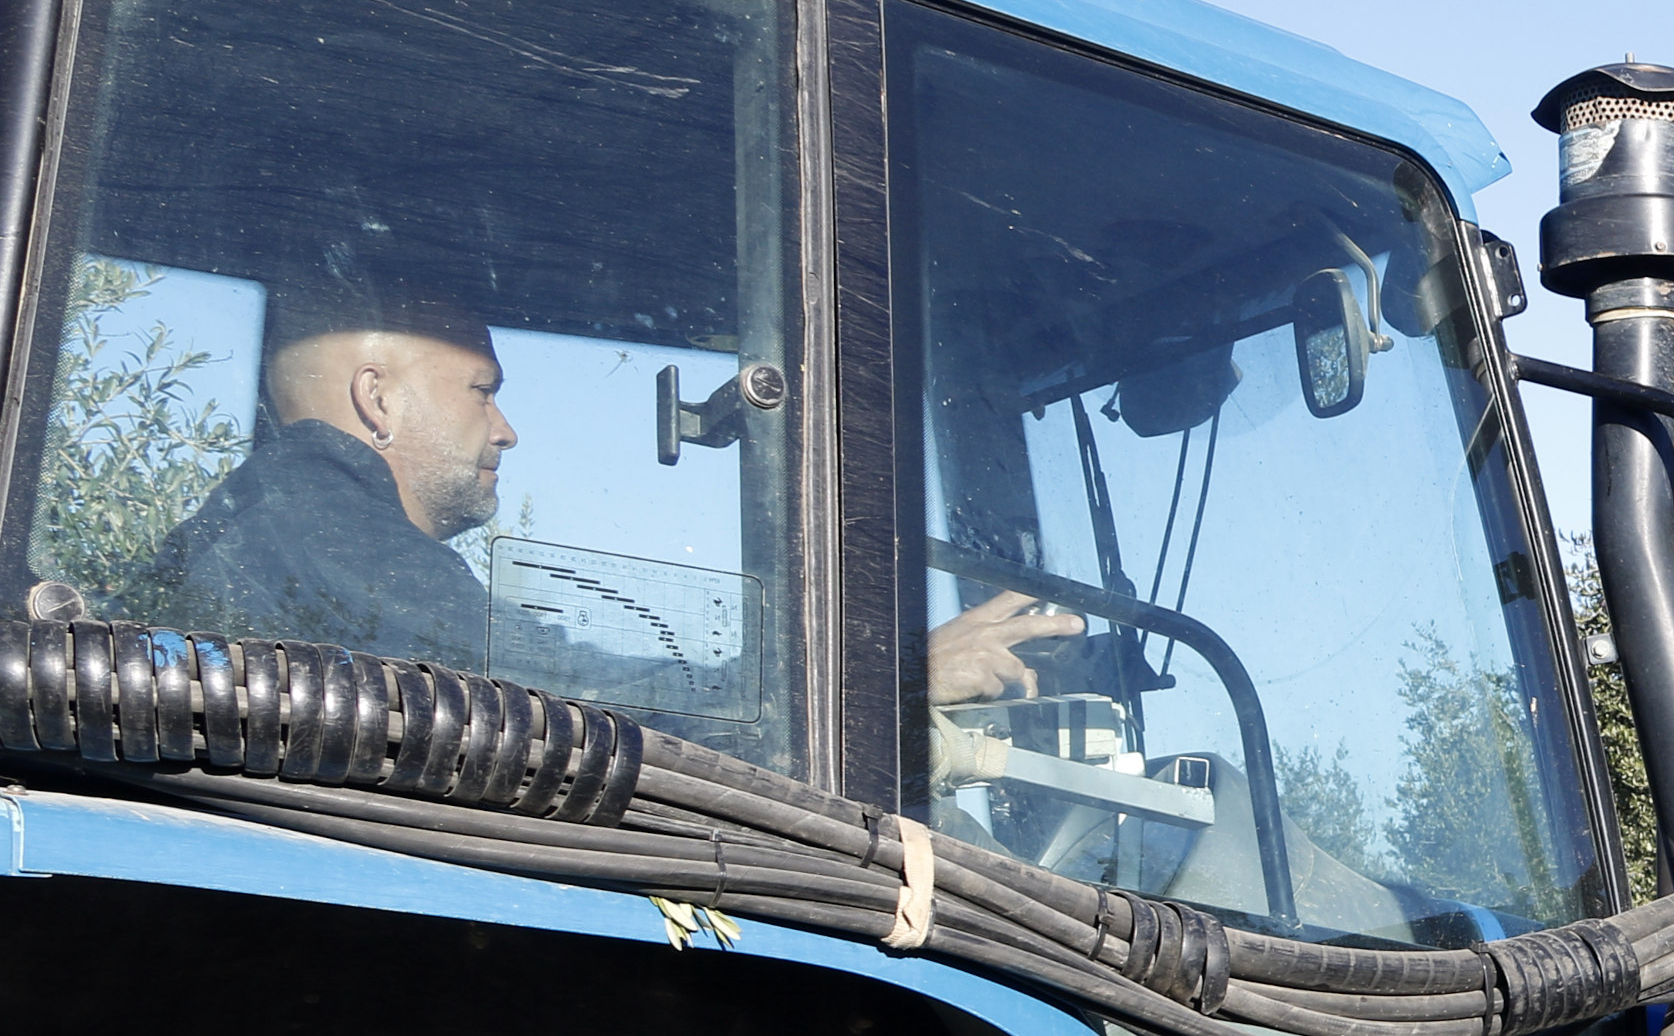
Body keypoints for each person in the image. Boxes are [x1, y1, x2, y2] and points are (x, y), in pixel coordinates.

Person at [136, 283, 1080, 704]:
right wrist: (878, 690)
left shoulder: (291, 531)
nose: (506, 430)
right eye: (484, 391)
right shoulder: (311, 525)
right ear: (376, 397)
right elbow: (562, 696)